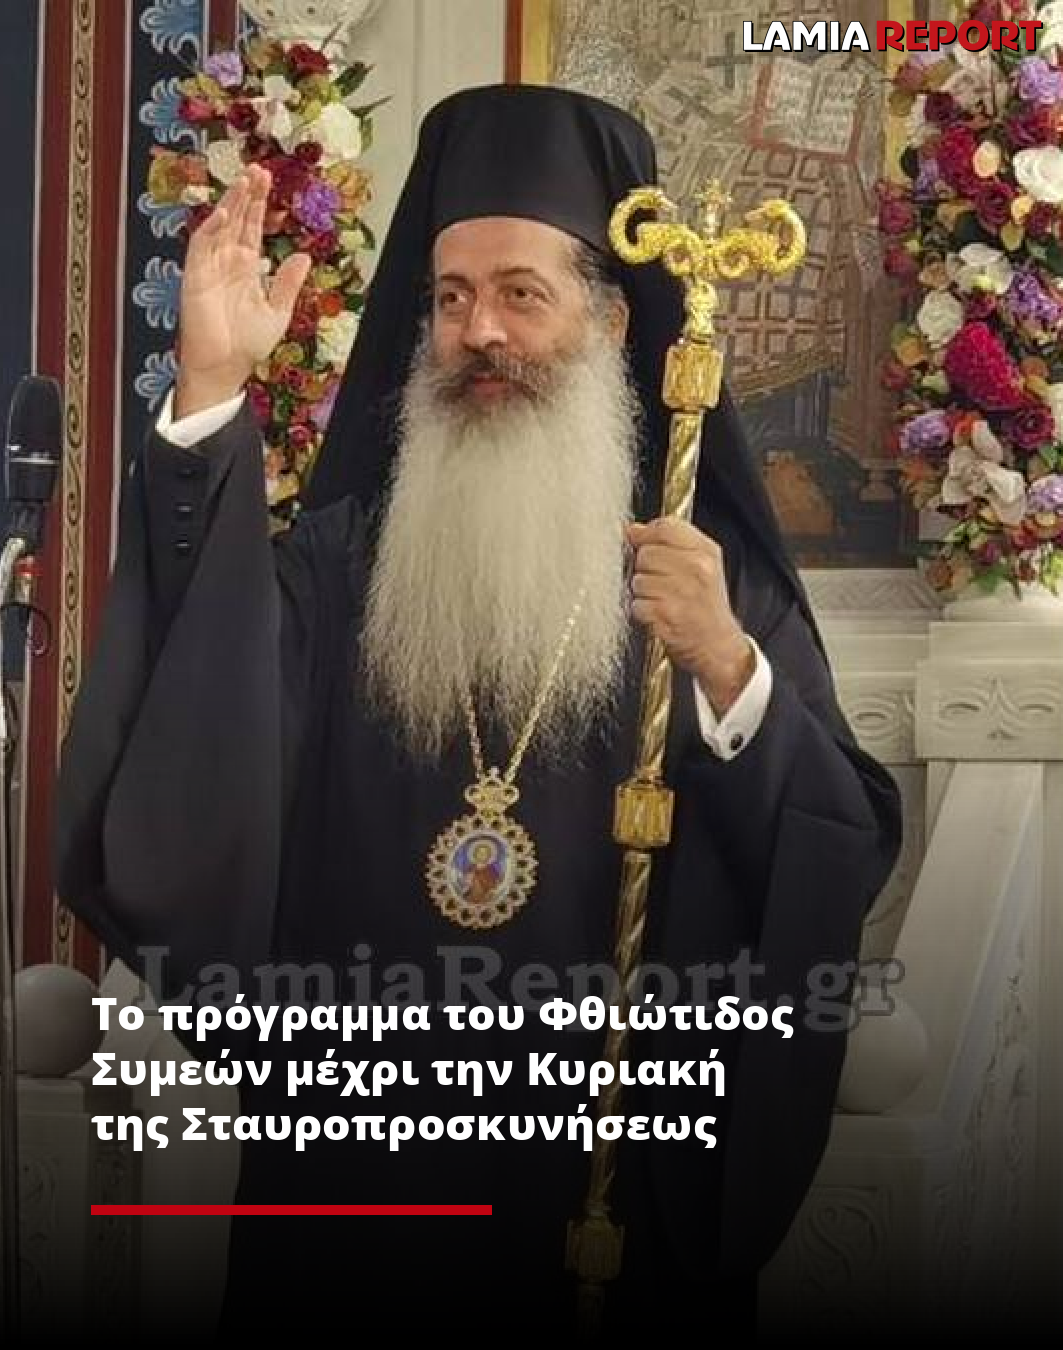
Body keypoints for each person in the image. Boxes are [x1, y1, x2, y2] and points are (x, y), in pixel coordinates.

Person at [57, 84, 901, 1338]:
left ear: (611, 320)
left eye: (520, 293)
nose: (479, 332)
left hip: (602, 1177)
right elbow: (198, 705)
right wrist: (212, 395)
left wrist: (730, 670)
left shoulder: (696, 583)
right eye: (450, 299)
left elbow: (838, 839)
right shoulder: (342, 566)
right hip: (358, 1188)